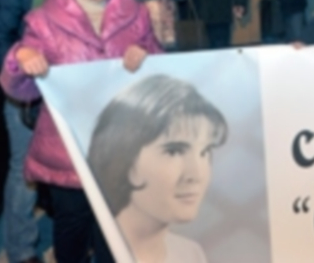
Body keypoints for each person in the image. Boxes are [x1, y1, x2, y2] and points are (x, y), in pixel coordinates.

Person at [0, 0, 162, 263]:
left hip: (120, 145)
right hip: (68, 147)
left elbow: (159, 71)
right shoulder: (44, 20)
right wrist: (21, 58)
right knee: (72, 229)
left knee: (115, 233)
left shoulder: (136, 13)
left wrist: (146, 55)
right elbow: (20, 89)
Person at [0, 0, 73, 263]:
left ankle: (71, 239)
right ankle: (21, 249)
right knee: (24, 170)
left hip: (70, 90)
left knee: (70, 166)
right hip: (28, 92)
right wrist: (20, 53)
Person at [87, 74, 227, 263]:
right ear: (125, 159)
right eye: (174, 151)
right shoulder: (91, 253)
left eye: (205, 152)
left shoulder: (191, 254)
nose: (196, 175)